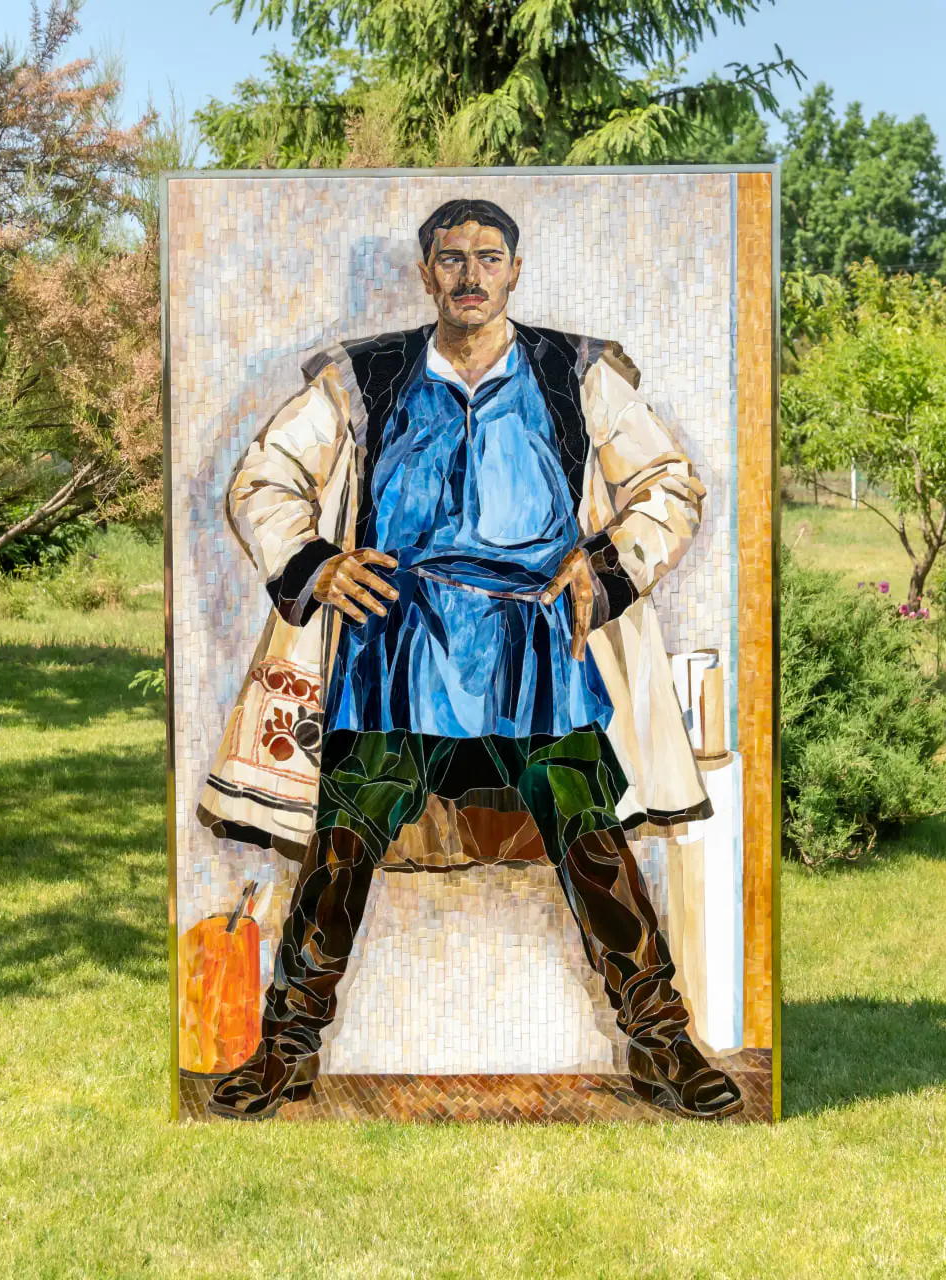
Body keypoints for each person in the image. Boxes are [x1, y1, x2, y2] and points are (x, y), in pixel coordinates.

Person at [200, 198, 742, 1121]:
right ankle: (286, 1052)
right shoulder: (364, 375)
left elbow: (670, 485)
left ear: (515, 270)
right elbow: (262, 478)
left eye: (489, 258)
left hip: (538, 652)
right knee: (340, 847)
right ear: (427, 272)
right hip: (397, 650)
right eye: (452, 258)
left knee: (594, 843)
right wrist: (317, 563)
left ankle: (662, 1045)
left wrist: (605, 565)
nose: (471, 275)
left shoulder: (575, 373)